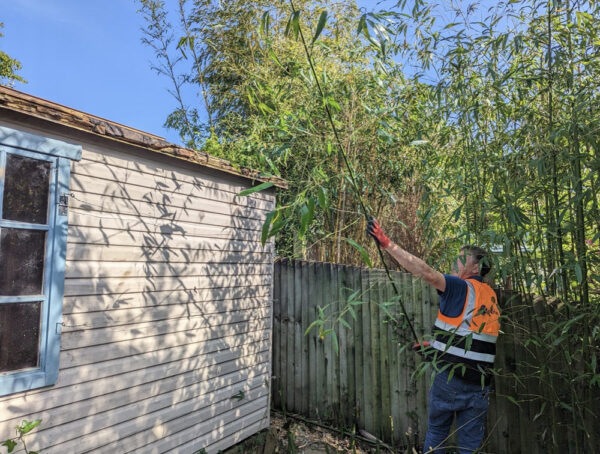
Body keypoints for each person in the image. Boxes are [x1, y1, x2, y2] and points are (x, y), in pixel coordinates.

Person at [366, 217, 500, 454]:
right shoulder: (491, 296)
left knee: (437, 434)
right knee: (470, 447)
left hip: (451, 382)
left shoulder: (459, 287)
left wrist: (387, 244)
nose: (453, 263)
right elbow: (471, 338)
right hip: (480, 386)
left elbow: (425, 272)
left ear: (475, 268)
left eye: (460, 260)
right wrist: (436, 348)